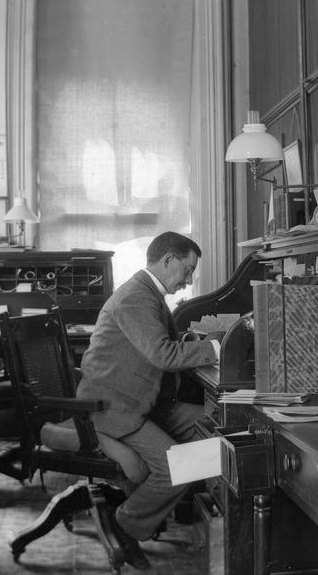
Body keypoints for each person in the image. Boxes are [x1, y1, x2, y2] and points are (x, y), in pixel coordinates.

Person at [77, 231, 220, 569]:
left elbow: (159, 343)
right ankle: (124, 525)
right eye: (187, 269)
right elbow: (161, 354)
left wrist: (192, 340)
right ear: (167, 260)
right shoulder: (136, 297)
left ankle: (202, 516)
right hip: (113, 408)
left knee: (219, 430)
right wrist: (217, 349)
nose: (188, 280)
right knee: (177, 468)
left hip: (143, 400)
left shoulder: (147, 293)